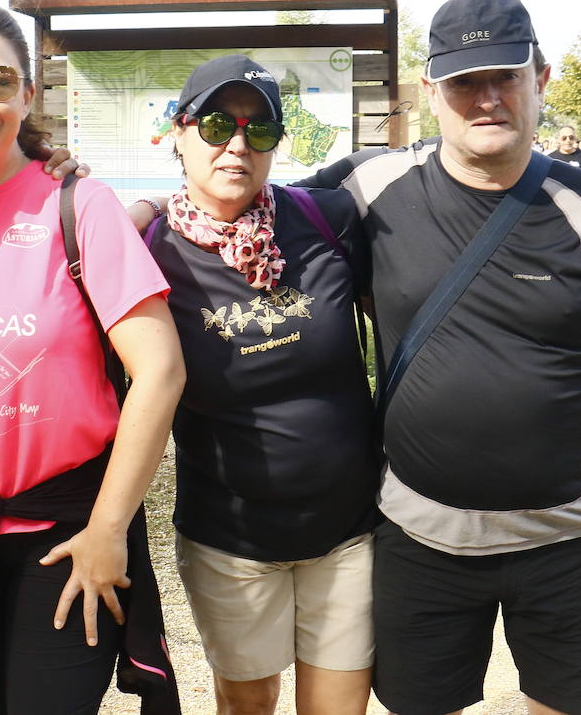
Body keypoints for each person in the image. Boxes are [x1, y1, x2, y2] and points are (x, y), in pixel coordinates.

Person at [297, 0, 581, 715]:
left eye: (505, 76)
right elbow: (249, 208)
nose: (487, 99)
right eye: (465, 82)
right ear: (430, 91)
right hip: (420, 534)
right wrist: (127, 210)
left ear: (541, 75)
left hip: (570, 540)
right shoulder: (368, 189)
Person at [0, 0, 185, 714]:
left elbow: (160, 369)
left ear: (28, 95)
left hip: (64, 543)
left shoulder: (77, 207)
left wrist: (109, 531)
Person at [144, 55, 377, 714]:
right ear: (179, 133)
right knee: (246, 706)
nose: (237, 145)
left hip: (346, 532)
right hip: (231, 542)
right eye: (217, 125)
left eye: (260, 130)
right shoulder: (151, 249)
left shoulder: (327, 221)